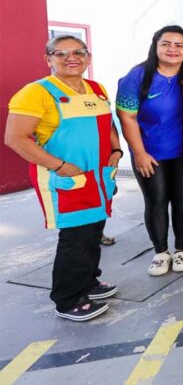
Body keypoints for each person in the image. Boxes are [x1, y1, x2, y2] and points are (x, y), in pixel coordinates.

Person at [5, 36, 121, 321]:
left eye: (79, 52)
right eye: (62, 53)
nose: (72, 57)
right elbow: (15, 138)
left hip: (98, 175)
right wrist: (59, 166)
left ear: (88, 57)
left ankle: (89, 282)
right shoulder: (36, 93)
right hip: (66, 178)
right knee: (75, 237)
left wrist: (116, 149)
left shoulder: (96, 88)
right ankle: (68, 298)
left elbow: (108, 124)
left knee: (94, 229)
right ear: (48, 59)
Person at [117, 25, 183, 276]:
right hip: (150, 152)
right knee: (157, 201)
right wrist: (139, 153)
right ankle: (161, 252)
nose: (172, 49)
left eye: (179, 45)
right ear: (156, 46)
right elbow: (126, 117)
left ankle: (182, 249)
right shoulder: (138, 76)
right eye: (166, 44)